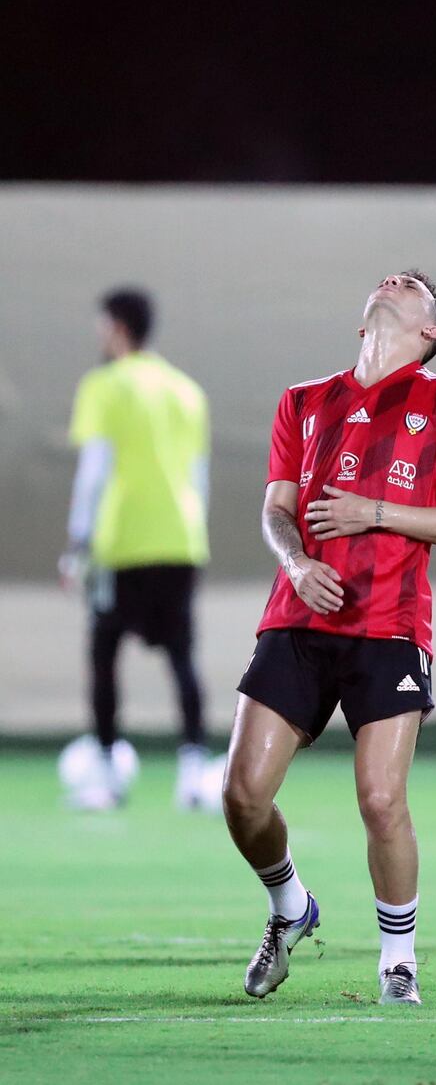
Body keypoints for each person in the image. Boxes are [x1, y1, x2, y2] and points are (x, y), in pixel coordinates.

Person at [223, 270, 436, 1005]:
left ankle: (397, 959)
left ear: (430, 331)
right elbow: (277, 509)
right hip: (297, 617)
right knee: (242, 795)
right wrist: (297, 561)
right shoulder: (304, 401)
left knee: (380, 799)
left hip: (389, 626)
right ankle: (290, 908)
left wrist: (376, 512)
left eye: (417, 287)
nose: (397, 279)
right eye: (391, 278)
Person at [61, 288, 211, 810]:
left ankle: (107, 774)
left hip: (122, 542)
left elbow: (94, 470)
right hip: (181, 541)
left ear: (120, 328)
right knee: (183, 658)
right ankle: (193, 772)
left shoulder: (104, 386)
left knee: (103, 656)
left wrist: (77, 546)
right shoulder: (186, 391)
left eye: (104, 327)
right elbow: (199, 476)